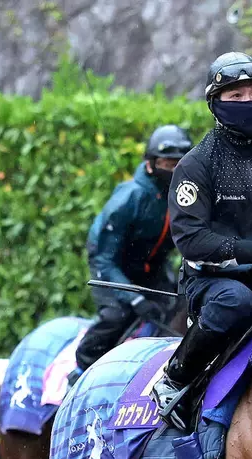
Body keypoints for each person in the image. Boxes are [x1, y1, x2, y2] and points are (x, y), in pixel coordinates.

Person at [151, 52, 252, 430]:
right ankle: (175, 379)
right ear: (215, 103)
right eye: (236, 97)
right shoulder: (196, 164)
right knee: (237, 302)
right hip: (213, 283)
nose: (248, 103)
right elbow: (191, 239)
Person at [71, 125, 193, 379]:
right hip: (112, 271)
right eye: (166, 164)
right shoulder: (129, 199)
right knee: (118, 316)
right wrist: (133, 298)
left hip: (152, 273)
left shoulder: (184, 197)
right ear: (150, 164)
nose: (173, 171)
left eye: (179, 164)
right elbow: (103, 257)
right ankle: (80, 371)